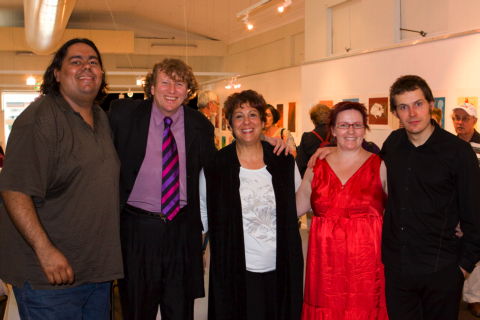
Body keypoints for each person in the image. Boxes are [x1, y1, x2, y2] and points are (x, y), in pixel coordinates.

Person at [0, 38, 122, 319]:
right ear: (56, 73)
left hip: (95, 273)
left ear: (101, 74)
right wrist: (45, 251)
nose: (86, 67)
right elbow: (14, 190)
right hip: (50, 278)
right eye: (76, 61)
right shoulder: (39, 118)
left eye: (93, 61)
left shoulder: (101, 119)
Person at [109, 58, 216, 320]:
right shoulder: (123, 115)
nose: (171, 90)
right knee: (136, 309)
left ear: (188, 91)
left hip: (182, 232)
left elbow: (217, 171)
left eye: (179, 84)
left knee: (179, 311)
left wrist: (265, 144)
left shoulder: (200, 126)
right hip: (136, 230)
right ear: (152, 88)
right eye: (165, 82)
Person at [381, 75, 480, 320]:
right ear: (396, 112)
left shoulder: (458, 152)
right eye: (403, 107)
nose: (412, 113)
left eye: (418, 104)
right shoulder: (392, 144)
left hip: (442, 270)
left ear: (431, 104)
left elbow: (475, 213)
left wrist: (463, 268)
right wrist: (332, 148)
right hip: (398, 269)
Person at [203, 90, 304, 320]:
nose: (246, 122)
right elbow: (202, 212)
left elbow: (298, 202)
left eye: (252, 115)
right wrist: (199, 251)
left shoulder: (283, 160)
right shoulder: (216, 166)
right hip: (235, 266)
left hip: (281, 264)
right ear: (229, 124)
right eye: (239, 116)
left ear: (262, 121)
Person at [296, 101, 388, 319]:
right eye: (344, 125)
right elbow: (295, 207)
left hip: (366, 269)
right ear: (333, 130)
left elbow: (403, 211)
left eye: (357, 125)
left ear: (365, 129)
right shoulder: (315, 166)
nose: (350, 131)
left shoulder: (380, 166)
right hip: (325, 268)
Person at [451, 102, 480, 316]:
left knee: (476, 252)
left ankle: (473, 298)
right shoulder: (448, 145)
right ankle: (454, 293)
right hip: (453, 209)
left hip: (476, 207)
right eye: (456, 118)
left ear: (474, 121)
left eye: (464, 119)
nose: (459, 122)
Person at [296, 103, 331, 177]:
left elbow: (301, 165)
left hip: (314, 179)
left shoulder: (307, 137)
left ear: (313, 120)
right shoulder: (336, 136)